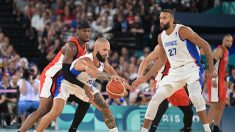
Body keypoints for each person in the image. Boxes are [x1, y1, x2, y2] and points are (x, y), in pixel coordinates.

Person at [132, 9, 215, 132]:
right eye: (160, 18)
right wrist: (144, 77)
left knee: (194, 96)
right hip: (175, 72)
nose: (161, 20)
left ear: (171, 19)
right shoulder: (161, 37)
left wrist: (211, 68)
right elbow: (161, 61)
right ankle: (144, 130)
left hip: (192, 68)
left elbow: (206, 45)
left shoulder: (182, 31)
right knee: (156, 99)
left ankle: (207, 129)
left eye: (164, 18)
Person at [35, 38, 132, 131]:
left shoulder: (103, 60)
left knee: (105, 107)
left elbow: (110, 69)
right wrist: (111, 78)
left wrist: (122, 84)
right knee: (56, 111)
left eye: (108, 50)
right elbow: (96, 74)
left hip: (84, 87)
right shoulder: (85, 60)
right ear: (96, 49)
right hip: (67, 84)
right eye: (104, 50)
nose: (107, 53)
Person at [19, 19, 93, 132]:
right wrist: (82, 86)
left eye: (89, 31)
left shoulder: (86, 46)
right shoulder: (71, 47)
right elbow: (66, 72)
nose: (87, 34)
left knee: (84, 101)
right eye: (84, 31)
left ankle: (71, 130)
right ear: (77, 32)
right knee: (43, 109)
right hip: (51, 76)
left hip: (62, 78)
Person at [137, 45, 193, 132]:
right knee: (162, 106)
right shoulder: (160, 47)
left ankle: (187, 128)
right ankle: (150, 130)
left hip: (176, 81)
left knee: (188, 109)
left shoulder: (181, 46)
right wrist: (140, 75)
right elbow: (146, 60)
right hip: (163, 80)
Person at [207, 34, 233, 132]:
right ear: (223, 41)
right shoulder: (219, 50)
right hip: (215, 80)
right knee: (214, 105)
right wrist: (213, 80)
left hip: (221, 80)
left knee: (222, 104)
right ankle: (206, 129)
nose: (229, 43)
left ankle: (216, 127)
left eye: (230, 41)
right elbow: (210, 65)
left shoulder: (226, 51)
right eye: (227, 40)